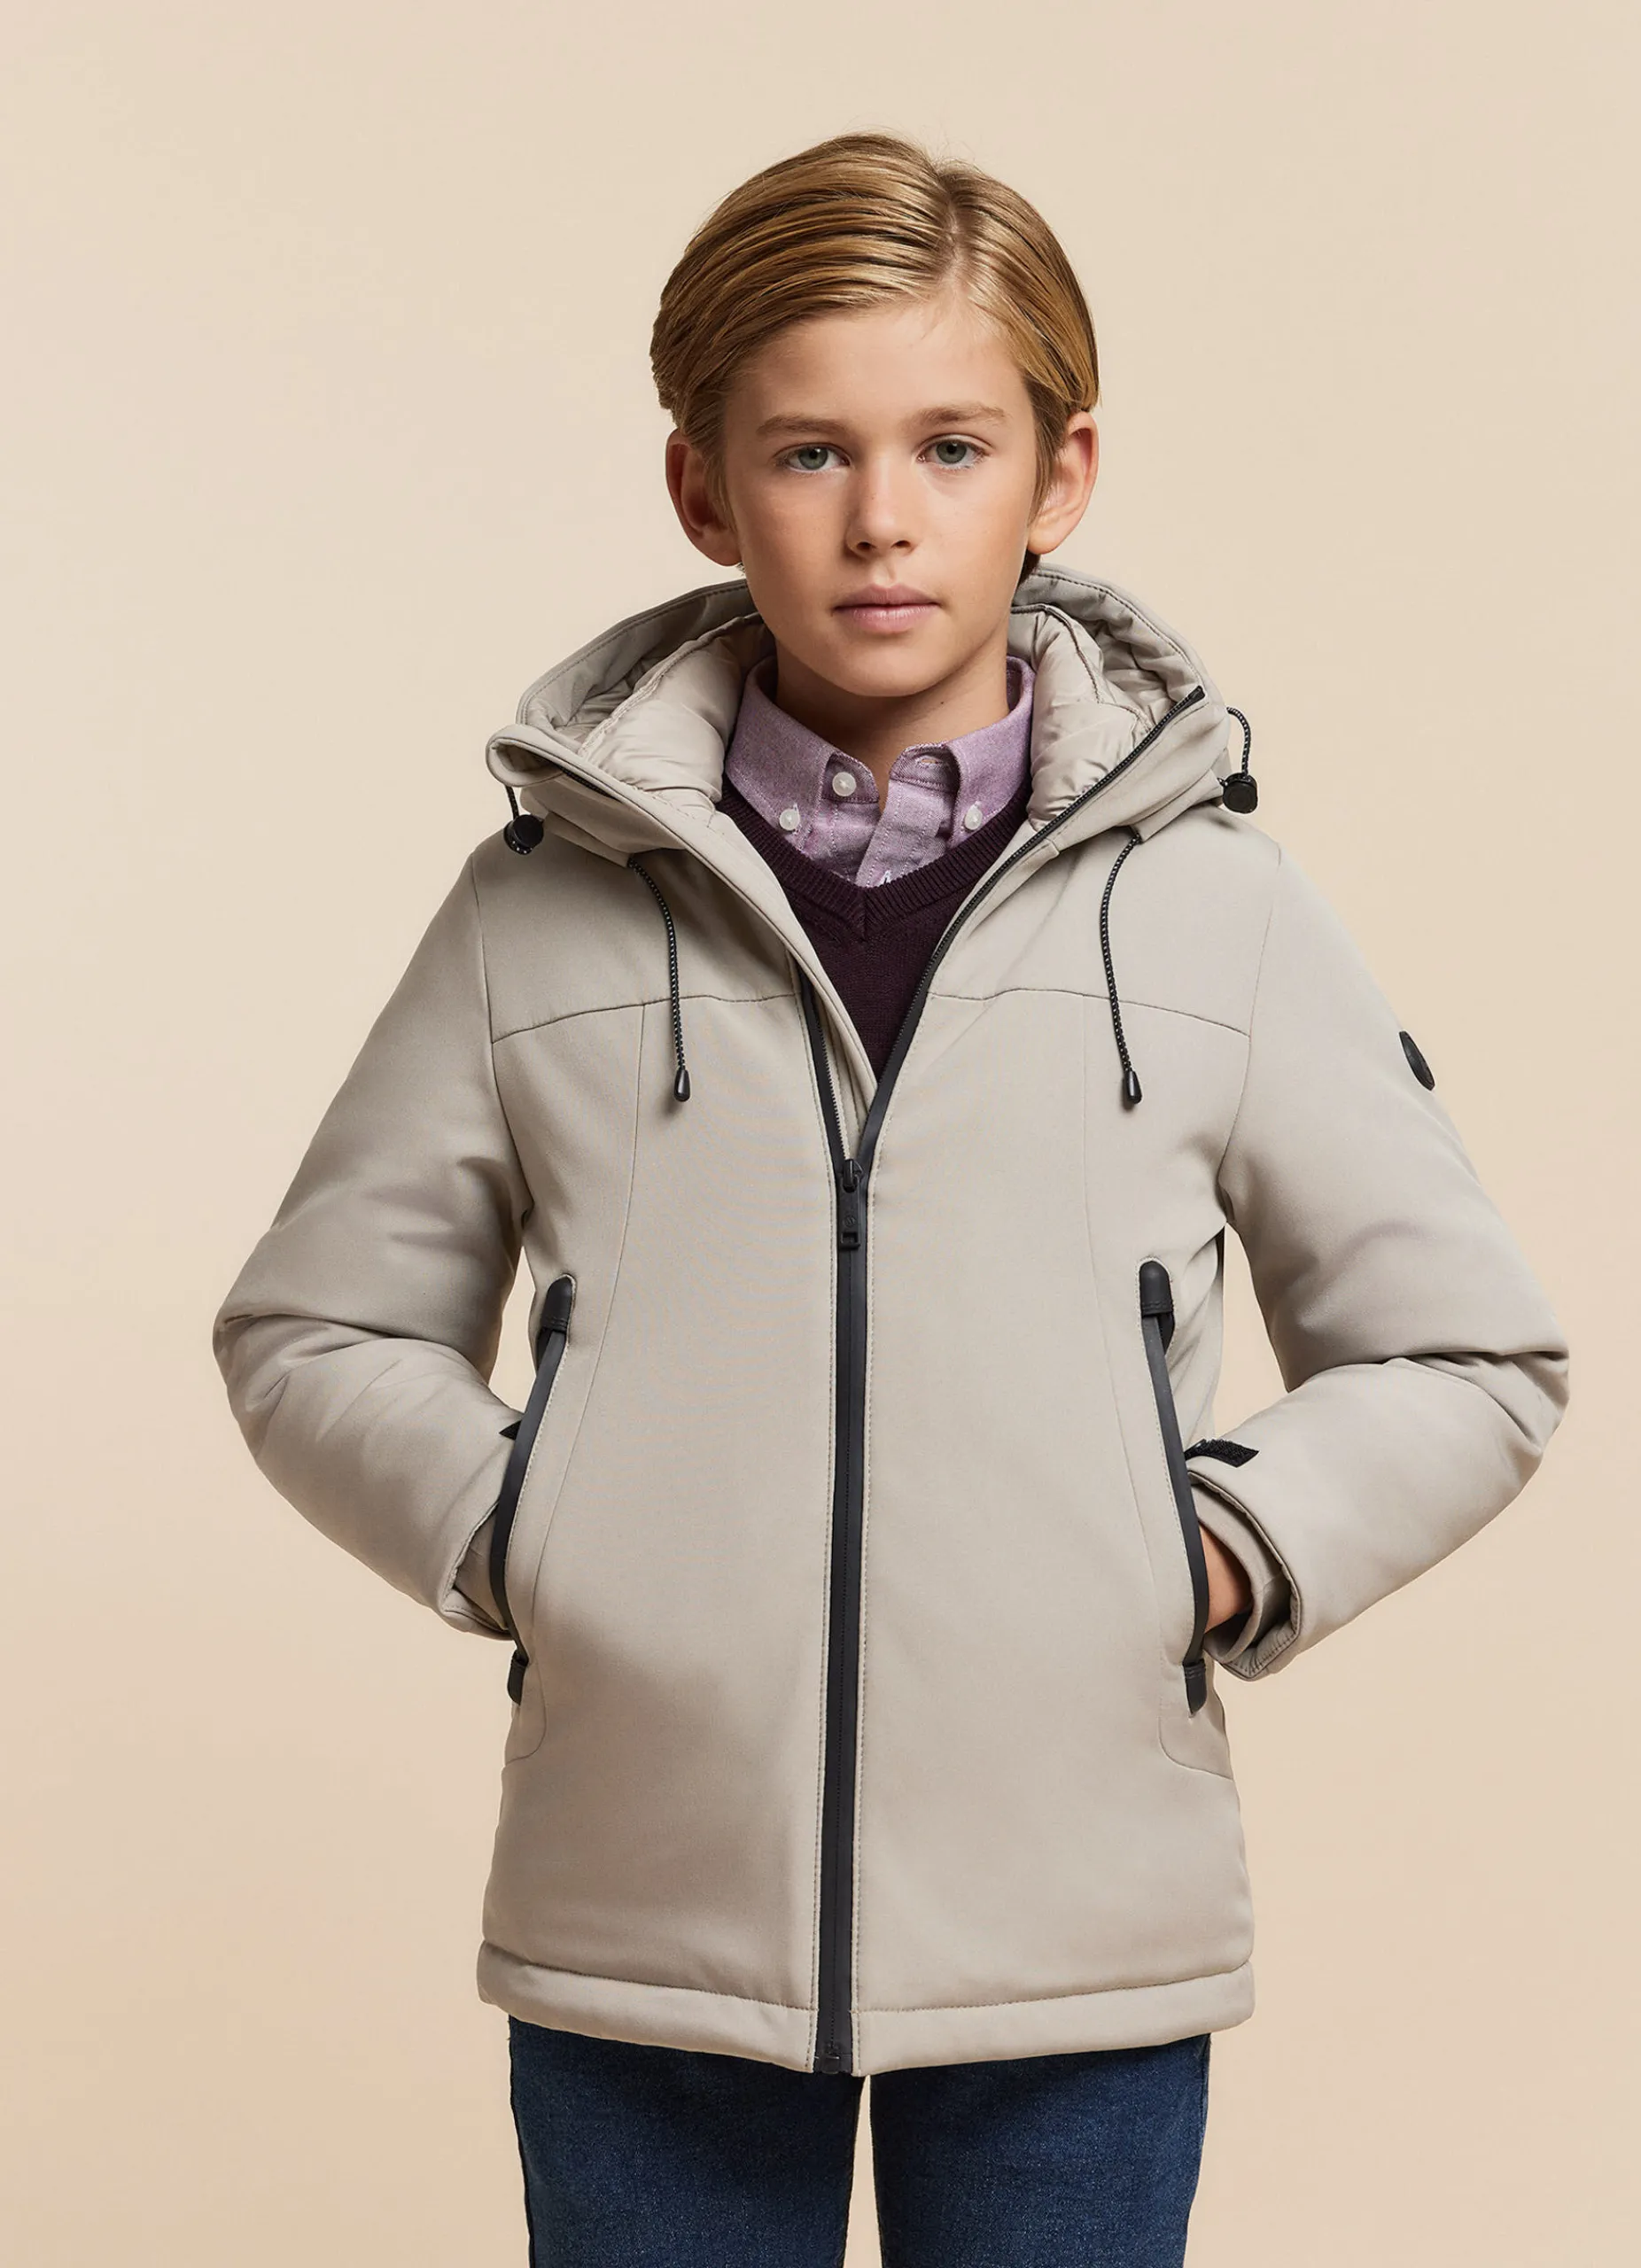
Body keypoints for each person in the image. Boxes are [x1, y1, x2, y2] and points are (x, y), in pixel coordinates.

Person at [213, 133, 1569, 2266]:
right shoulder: (536, 913)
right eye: (809, 453)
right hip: (648, 1923)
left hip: (1076, 1936)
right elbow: (315, 1327)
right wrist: (527, 1523)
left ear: (1060, 472)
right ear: (703, 488)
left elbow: (1470, 1352)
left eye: (951, 444)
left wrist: (1212, 1546)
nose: (882, 517)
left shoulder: (1213, 909)